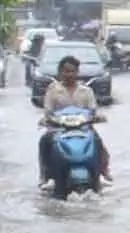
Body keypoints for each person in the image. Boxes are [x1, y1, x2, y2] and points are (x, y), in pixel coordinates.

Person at [39, 55, 111, 189]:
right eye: (66, 71)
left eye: (72, 71)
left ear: (77, 72)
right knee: (44, 141)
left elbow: (93, 110)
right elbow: (48, 110)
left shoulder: (86, 91)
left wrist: (97, 117)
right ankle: (46, 175)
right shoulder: (53, 90)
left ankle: (102, 172)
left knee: (98, 141)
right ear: (60, 72)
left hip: (83, 128)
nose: (69, 74)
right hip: (58, 129)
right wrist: (47, 119)